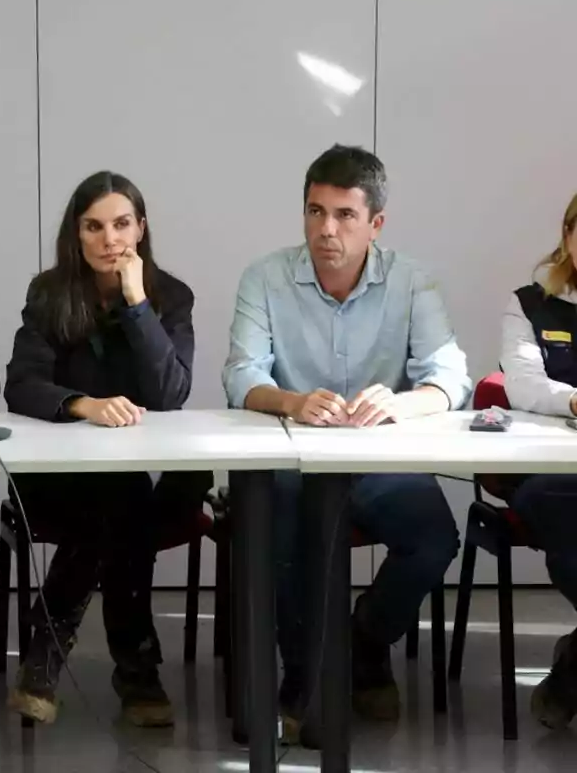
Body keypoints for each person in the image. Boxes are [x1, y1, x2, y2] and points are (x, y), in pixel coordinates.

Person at [222, 144, 470, 742]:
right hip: (292, 459)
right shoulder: (265, 276)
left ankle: (363, 641)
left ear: (375, 224)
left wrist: (400, 402)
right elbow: (241, 375)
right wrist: (291, 401)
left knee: (434, 539)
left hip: (379, 458)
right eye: (314, 211)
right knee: (280, 532)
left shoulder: (412, 281)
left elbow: (452, 377)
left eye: (343, 215)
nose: (325, 230)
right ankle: (303, 677)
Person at [2, 171, 212, 727]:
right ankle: (137, 668)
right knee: (122, 507)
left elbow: (171, 393)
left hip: (128, 479)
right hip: (55, 478)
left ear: (140, 229)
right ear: (77, 235)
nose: (108, 239)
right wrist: (83, 404)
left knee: (137, 499)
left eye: (121, 224)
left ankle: (45, 651)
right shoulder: (49, 295)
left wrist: (138, 304)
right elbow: (20, 385)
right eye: (93, 227)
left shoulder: (170, 296)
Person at [500, 191, 577, 729]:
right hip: (547, 470)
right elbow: (523, 386)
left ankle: (573, 667)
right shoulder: (529, 302)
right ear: (567, 236)